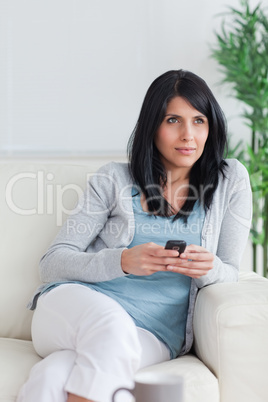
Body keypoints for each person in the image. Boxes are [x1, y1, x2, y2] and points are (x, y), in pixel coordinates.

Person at [17, 69, 252, 402]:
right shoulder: (112, 179)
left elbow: (229, 271)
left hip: (152, 333)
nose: (188, 135)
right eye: (173, 120)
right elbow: (52, 263)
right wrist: (123, 261)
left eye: (199, 121)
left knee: (54, 375)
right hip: (73, 309)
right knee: (111, 329)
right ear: (152, 126)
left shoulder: (230, 181)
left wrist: (207, 267)